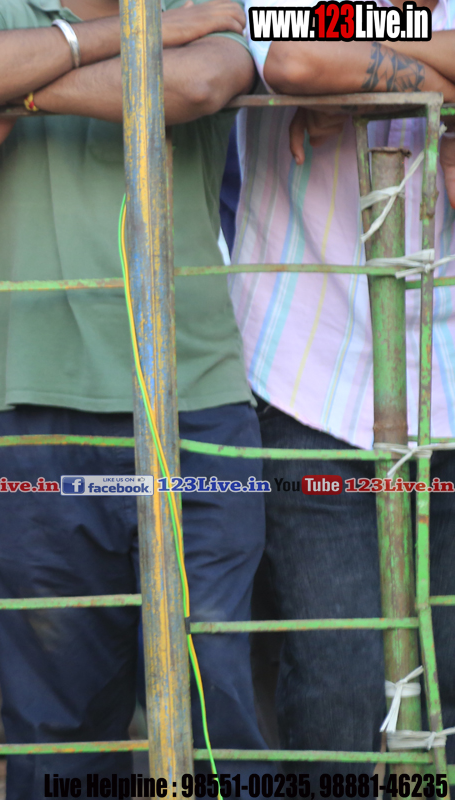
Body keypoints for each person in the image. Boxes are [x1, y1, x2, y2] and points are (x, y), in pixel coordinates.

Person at [0, 1, 273, 795]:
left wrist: (22, 95)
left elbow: (197, 84)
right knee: (57, 739)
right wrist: (122, 43)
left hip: (194, 407)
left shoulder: (199, 9)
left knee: (214, 717)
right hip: (34, 411)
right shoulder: (2, 6)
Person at [229, 0, 455, 777]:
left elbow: (321, 62)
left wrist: (360, 80)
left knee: (447, 673)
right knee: (338, 682)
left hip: (443, 386)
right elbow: (293, 58)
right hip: (307, 379)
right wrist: (434, 79)